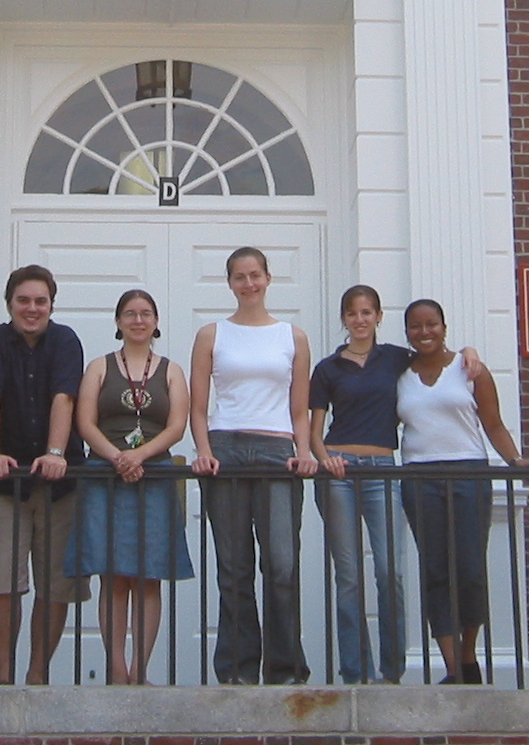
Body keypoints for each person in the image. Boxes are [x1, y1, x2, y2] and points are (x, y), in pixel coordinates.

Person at [188, 246, 316, 685]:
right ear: (229, 283)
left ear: (267, 278)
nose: (249, 283)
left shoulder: (292, 337)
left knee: (281, 565)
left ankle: (285, 670)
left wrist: (304, 451)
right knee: (234, 568)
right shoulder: (211, 335)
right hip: (226, 448)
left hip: (277, 450)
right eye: (240, 277)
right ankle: (237, 670)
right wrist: (203, 449)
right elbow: (198, 407)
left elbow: (299, 409)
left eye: (255, 275)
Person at [395, 300, 529, 683]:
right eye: (416, 326)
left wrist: (516, 460)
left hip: (469, 472)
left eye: (432, 324)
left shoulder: (469, 370)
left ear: (444, 327)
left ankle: (469, 656)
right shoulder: (398, 373)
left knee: (469, 569)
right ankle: (454, 668)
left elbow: (494, 424)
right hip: (419, 476)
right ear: (406, 332)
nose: (425, 332)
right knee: (436, 570)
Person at [0, 265, 91, 685]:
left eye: (41, 301)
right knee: (3, 580)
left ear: (51, 305)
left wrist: (55, 453)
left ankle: (38, 673)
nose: (32, 308)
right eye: (23, 300)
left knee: (56, 584)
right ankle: (3, 674)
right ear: (9, 303)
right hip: (6, 484)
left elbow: (65, 398)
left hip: (60, 486)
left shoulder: (65, 340)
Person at [71, 288, 195, 685]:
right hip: (105, 475)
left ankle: (140, 670)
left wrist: (139, 456)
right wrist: (117, 457)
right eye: (129, 313)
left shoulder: (172, 371)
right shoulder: (99, 367)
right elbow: (85, 422)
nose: (138, 320)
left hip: (153, 476)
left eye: (145, 314)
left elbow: (177, 426)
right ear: (118, 321)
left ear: (156, 322)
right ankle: (116, 668)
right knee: (112, 574)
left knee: (148, 574)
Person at [308, 286, 410, 686]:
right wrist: (325, 458)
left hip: (383, 469)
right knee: (349, 576)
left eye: (367, 312)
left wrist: (469, 353)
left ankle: (392, 672)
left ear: (379, 316)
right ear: (344, 319)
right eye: (352, 313)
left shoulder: (397, 359)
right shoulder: (328, 368)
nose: (360, 320)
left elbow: (439, 359)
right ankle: (356, 673)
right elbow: (314, 431)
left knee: (389, 571)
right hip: (339, 472)